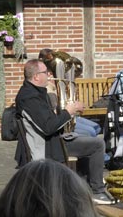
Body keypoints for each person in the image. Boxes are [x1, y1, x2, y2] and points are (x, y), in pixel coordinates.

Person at [16, 58, 113, 204]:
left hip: (53, 141)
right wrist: (68, 111)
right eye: (45, 73)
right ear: (36, 76)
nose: (49, 76)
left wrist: (66, 112)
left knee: (87, 137)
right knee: (97, 144)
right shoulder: (30, 98)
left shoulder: (35, 93)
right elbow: (48, 127)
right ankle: (96, 191)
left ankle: (83, 185)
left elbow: (48, 121)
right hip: (46, 147)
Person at [37, 48, 100, 137]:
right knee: (91, 131)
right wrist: (72, 108)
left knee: (97, 127)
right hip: (62, 119)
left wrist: (74, 104)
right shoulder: (46, 87)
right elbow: (55, 112)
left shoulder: (57, 82)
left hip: (69, 115)